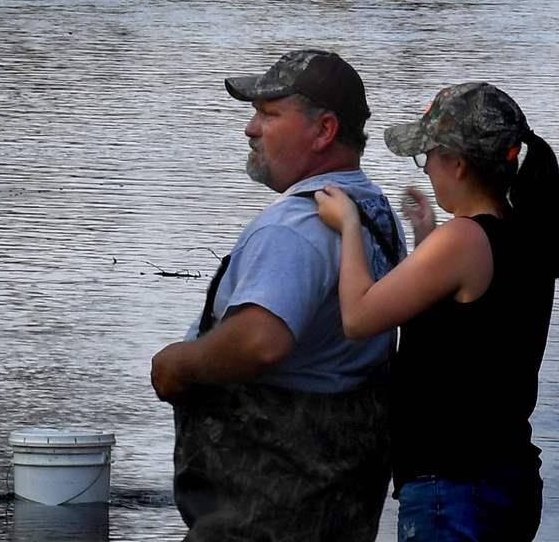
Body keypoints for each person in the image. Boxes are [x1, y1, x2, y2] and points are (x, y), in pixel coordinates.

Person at [150, 48, 406, 542]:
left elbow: (262, 340)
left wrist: (179, 365)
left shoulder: (295, 226)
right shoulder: (373, 210)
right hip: (339, 505)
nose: (251, 128)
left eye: (269, 114)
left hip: (268, 510)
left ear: (324, 130)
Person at [314, 81, 559, 542]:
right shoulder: (525, 237)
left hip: (453, 488)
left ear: (456, 162)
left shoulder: (462, 242)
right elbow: (471, 325)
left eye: (428, 156)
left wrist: (350, 225)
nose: (428, 169)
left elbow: (357, 316)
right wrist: (425, 240)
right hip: (506, 477)